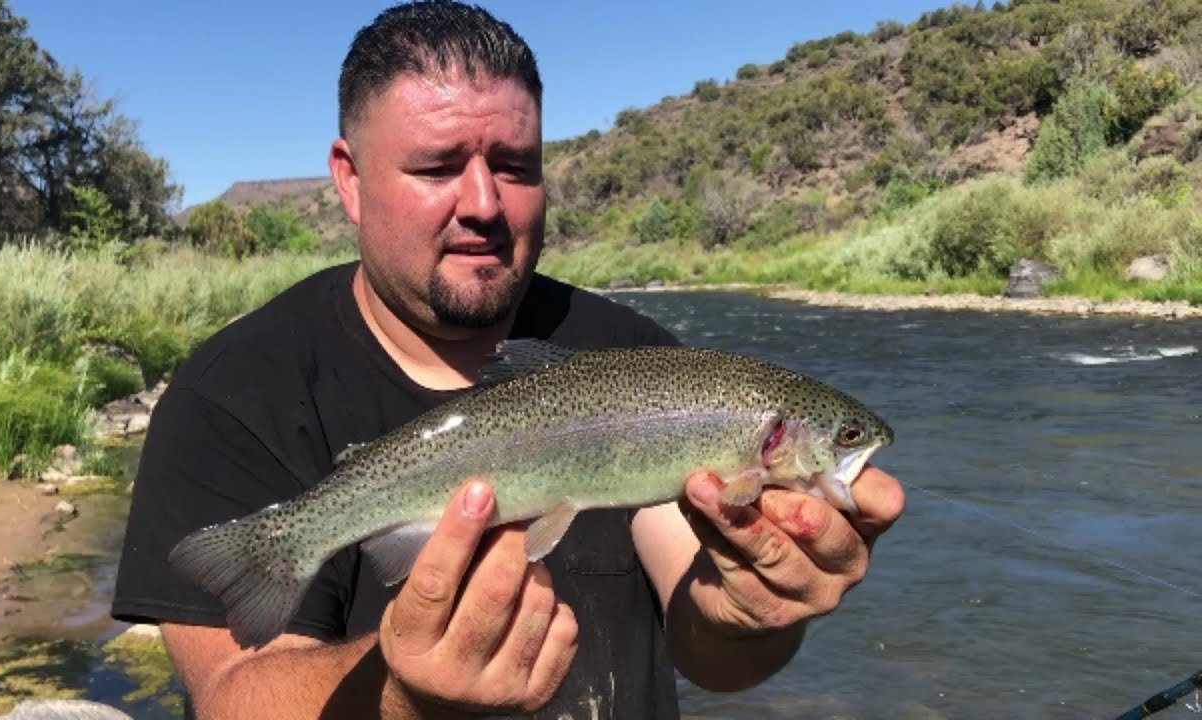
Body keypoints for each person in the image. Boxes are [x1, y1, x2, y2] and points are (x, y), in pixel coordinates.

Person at [111, 2, 906, 718]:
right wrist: (402, 694)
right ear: (349, 183)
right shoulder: (231, 393)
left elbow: (713, 647)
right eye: (436, 167)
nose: (485, 204)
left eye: (516, 166)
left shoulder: (643, 361)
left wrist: (755, 616)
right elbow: (234, 698)